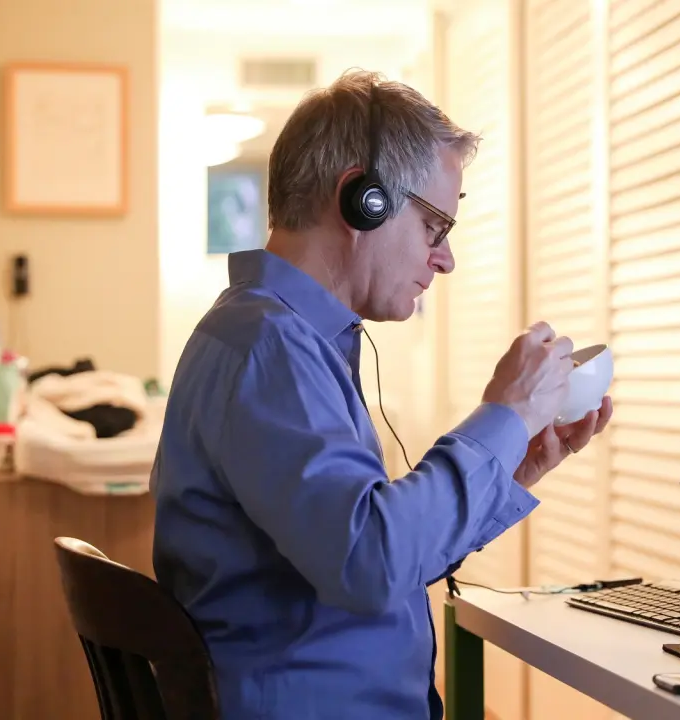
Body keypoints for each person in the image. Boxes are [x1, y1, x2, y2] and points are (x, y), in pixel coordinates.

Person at [150, 70, 614, 720]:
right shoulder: (269, 349)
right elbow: (369, 564)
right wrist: (503, 415)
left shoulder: (278, 339)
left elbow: (378, 550)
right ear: (361, 200)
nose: (445, 259)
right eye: (434, 226)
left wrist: (514, 465)